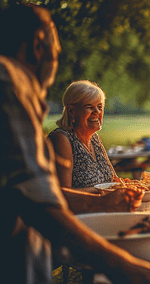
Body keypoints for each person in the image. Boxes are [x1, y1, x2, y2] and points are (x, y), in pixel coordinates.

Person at [0, 3, 150, 283]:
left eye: (99, 106)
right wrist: (122, 266)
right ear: (37, 46)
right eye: (56, 53)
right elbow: (41, 206)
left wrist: (115, 195)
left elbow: (36, 194)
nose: (54, 61)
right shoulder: (9, 85)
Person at [47, 80, 144, 212]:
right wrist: (107, 190)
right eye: (89, 106)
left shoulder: (94, 138)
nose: (97, 112)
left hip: (106, 214)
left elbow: (114, 180)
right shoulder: (62, 139)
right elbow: (61, 194)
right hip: (80, 219)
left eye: (100, 106)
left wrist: (136, 186)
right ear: (71, 111)